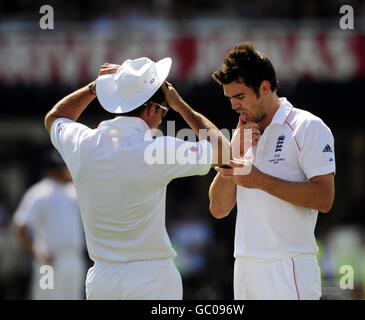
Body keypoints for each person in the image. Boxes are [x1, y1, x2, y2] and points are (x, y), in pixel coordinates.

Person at [44, 57, 230, 299]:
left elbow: (55, 118)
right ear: (153, 109)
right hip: (152, 279)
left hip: (102, 280)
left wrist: (95, 87)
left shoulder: (82, 143)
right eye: (163, 111)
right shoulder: (157, 150)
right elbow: (225, 152)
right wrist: (181, 106)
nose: (162, 118)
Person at [209, 42, 335, 300]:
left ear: (265, 88)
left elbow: (325, 199)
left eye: (240, 97)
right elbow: (218, 209)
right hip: (245, 265)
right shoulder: (240, 134)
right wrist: (231, 152)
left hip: (289, 268)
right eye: (230, 98)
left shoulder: (308, 126)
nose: (234, 106)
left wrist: (258, 180)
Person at [13, 150, 86, 300]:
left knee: (73, 297)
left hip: (73, 259)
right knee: (45, 297)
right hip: (48, 261)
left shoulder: (73, 191)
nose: (64, 171)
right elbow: (21, 225)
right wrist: (36, 253)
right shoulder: (38, 192)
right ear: (51, 170)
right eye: (60, 169)